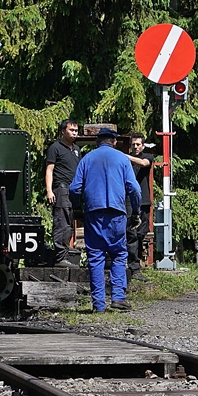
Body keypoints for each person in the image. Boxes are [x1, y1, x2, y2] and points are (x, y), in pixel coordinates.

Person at [69, 127, 142, 312]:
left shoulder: (87, 159)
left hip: (93, 214)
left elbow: (74, 189)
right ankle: (118, 298)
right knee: (118, 254)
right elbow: (135, 189)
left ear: (97, 141)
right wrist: (136, 212)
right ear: (115, 142)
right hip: (117, 213)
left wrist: (78, 207)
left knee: (95, 257)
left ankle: (98, 305)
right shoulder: (122, 159)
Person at [44, 119, 81, 268]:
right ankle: (60, 257)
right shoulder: (55, 148)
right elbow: (49, 170)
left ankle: (67, 254)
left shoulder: (77, 149)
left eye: (76, 131)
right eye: (71, 130)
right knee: (61, 223)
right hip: (61, 189)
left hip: (75, 191)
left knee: (70, 224)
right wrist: (49, 190)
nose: (74, 133)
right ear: (63, 131)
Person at [123, 133, 156, 281]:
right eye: (133, 144)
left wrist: (126, 157)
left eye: (138, 144)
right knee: (131, 234)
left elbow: (144, 164)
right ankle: (134, 267)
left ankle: (136, 262)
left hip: (143, 201)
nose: (135, 147)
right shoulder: (125, 161)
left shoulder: (147, 157)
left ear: (143, 145)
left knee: (141, 233)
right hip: (129, 201)